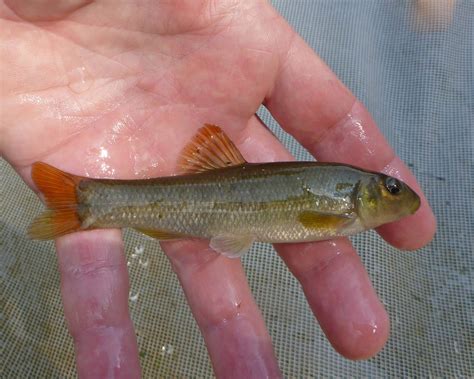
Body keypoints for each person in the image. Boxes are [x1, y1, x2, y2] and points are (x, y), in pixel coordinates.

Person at [0, 1, 436, 377]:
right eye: (391, 189)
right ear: (369, 194)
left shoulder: (348, 196)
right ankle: (88, 201)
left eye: (392, 188)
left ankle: (90, 202)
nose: (398, 195)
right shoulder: (347, 203)